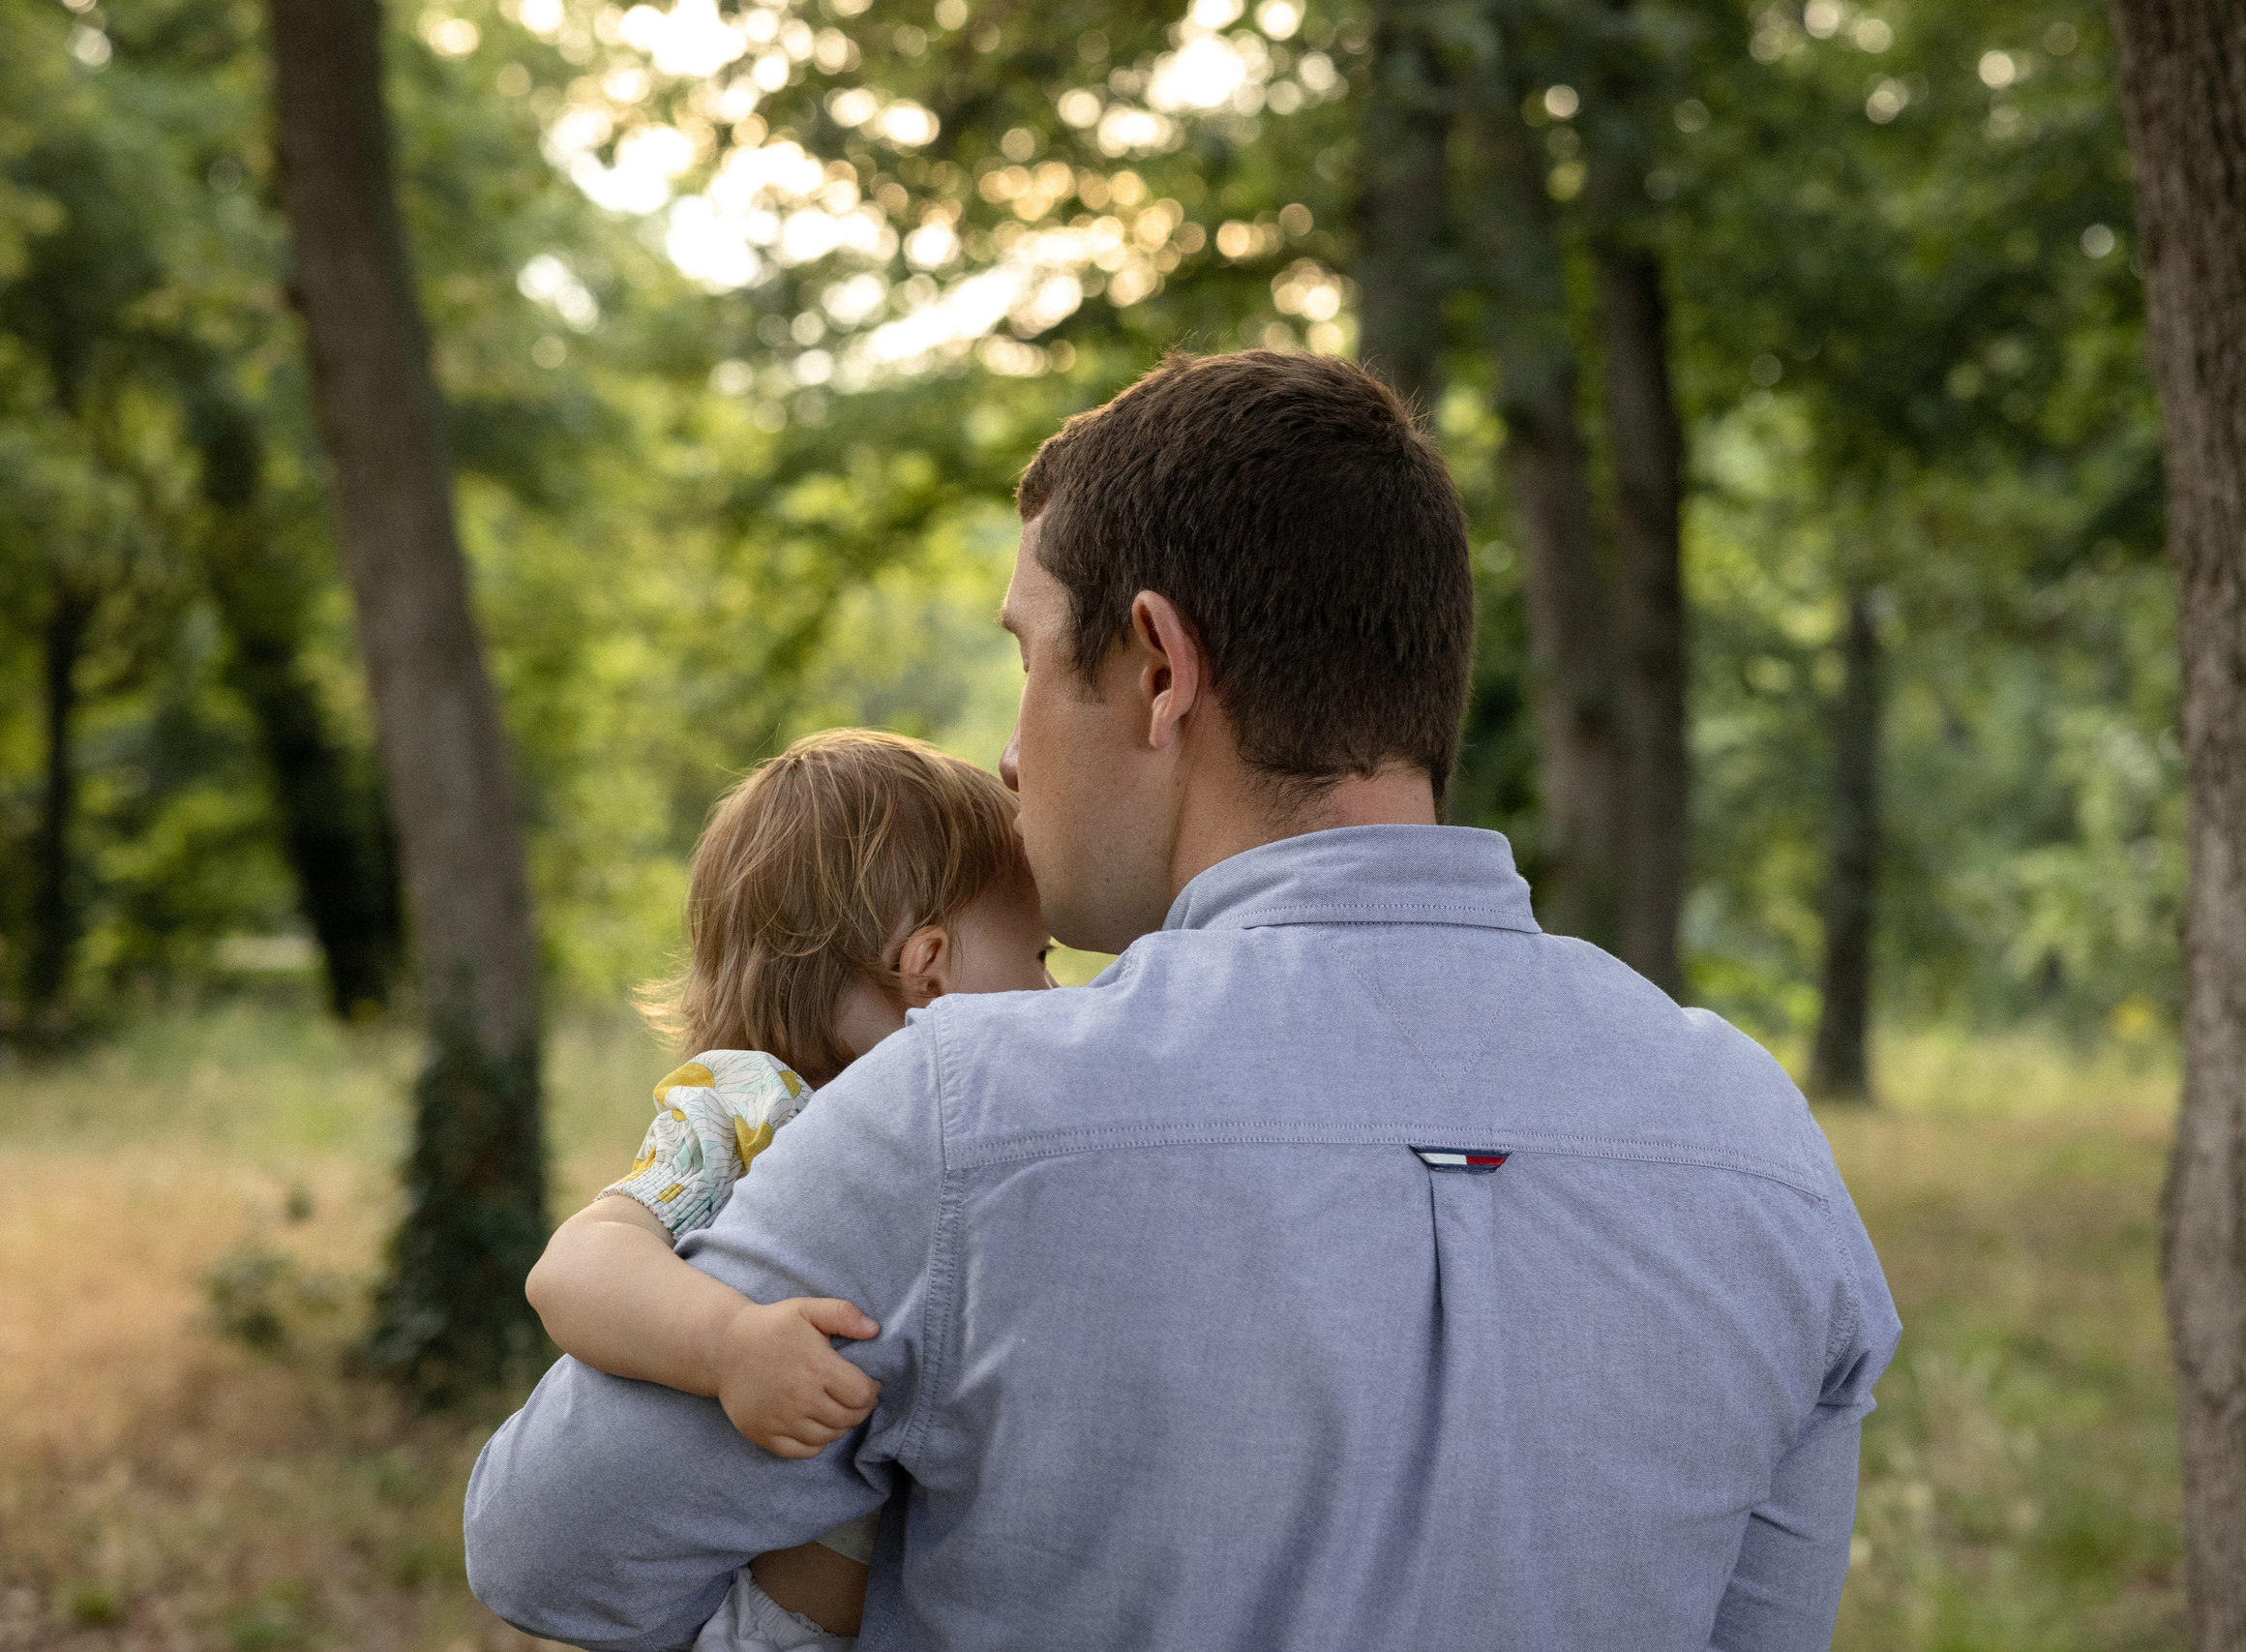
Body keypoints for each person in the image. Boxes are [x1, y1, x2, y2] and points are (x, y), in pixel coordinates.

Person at [466, 349, 1901, 1652]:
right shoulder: (1759, 1138)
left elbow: (546, 1550)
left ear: (1160, 668)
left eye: (1029, 656)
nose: (1013, 756)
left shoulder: (960, 1110)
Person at [523, 728, 1051, 1649]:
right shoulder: (751, 1109)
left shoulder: (984, 1146)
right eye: (1039, 955)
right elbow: (574, 1269)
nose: (1053, 991)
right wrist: (727, 1343)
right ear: (928, 974)